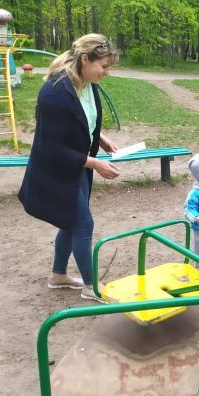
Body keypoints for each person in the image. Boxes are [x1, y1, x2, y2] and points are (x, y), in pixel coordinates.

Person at [18, 34, 120, 302]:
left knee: (70, 220)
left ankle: (58, 275)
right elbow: (52, 147)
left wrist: (98, 137)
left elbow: (81, 120)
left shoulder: (88, 82)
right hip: (55, 170)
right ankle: (90, 287)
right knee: (82, 223)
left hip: (76, 165)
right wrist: (95, 163)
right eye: (104, 66)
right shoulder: (55, 93)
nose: (106, 73)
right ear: (85, 59)